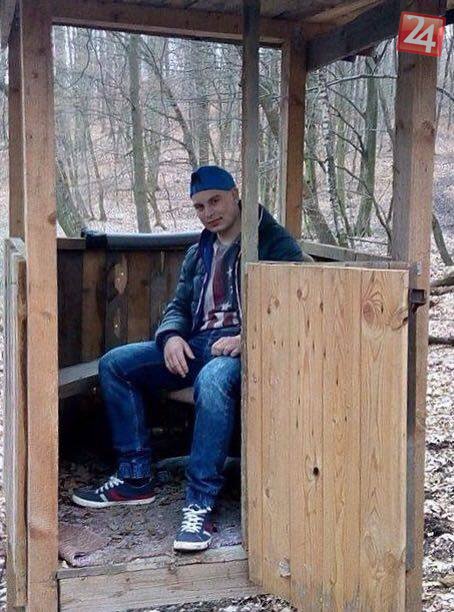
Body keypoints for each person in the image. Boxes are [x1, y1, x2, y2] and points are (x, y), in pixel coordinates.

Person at [72, 165, 310, 551]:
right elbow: (180, 305)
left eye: (215, 201)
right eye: (199, 207)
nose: (208, 213)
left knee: (212, 379)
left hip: (249, 351)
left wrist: (250, 337)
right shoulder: (199, 251)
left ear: (235, 195)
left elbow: (300, 301)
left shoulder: (271, 241)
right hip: (198, 344)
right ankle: (135, 478)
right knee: (115, 363)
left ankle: (199, 504)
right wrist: (170, 336)